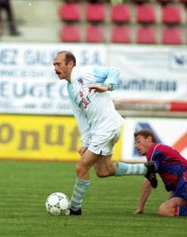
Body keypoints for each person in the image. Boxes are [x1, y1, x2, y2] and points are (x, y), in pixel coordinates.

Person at [52, 51, 157, 215]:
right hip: (102, 130)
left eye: (58, 64)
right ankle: (146, 169)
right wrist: (86, 144)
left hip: (106, 127)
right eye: (54, 65)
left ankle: (74, 208)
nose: (55, 68)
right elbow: (82, 119)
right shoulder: (70, 90)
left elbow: (114, 71)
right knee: (103, 171)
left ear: (70, 64)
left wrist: (107, 86)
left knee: (81, 167)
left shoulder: (84, 73)